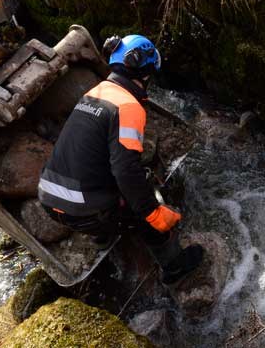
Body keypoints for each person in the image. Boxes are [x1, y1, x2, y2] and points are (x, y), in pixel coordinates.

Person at [38, 34, 204, 285]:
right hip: (85, 211)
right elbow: (126, 172)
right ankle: (174, 267)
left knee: (112, 176)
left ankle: (101, 235)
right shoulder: (128, 107)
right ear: (146, 74)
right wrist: (153, 213)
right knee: (141, 196)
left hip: (50, 202)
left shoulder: (96, 92)